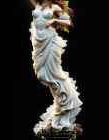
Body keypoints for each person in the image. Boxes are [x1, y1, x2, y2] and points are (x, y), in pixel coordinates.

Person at [29, 0, 83, 135]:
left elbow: (68, 22)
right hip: (38, 44)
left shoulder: (54, 7)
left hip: (50, 42)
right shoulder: (37, 5)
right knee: (43, 75)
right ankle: (59, 105)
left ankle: (63, 104)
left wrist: (54, 21)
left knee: (54, 74)